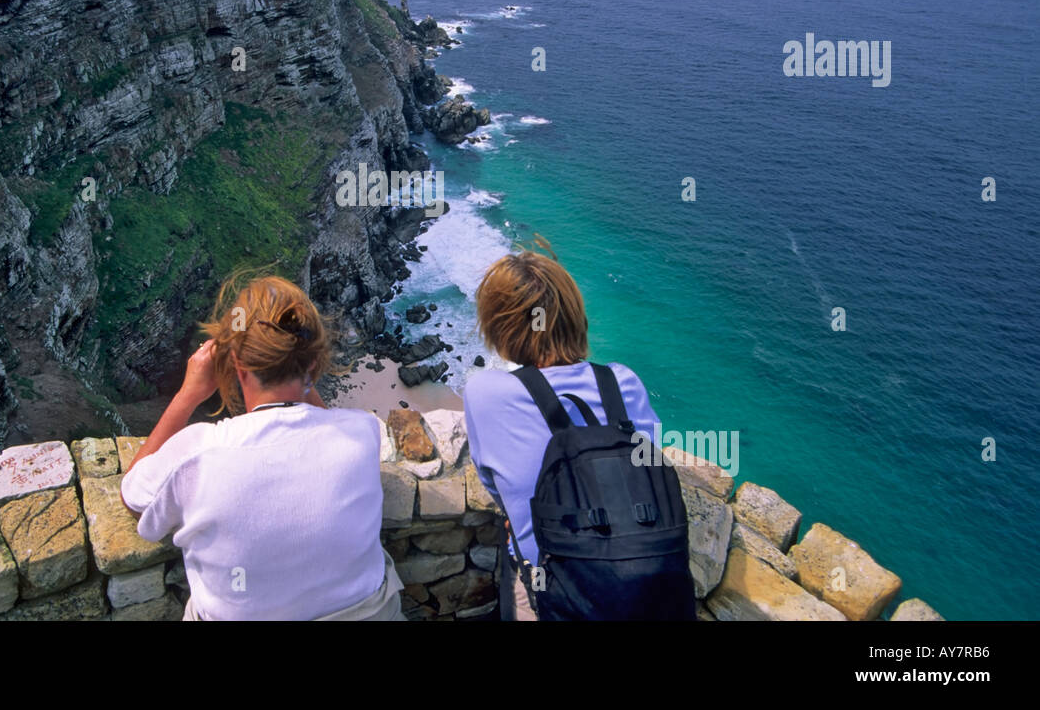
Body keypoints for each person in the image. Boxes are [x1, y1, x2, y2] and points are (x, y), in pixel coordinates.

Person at [120, 272, 404, 620]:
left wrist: (188, 394)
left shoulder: (199, 453)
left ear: (237, 362)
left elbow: (134, 495)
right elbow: (319, 429)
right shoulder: (361, 431)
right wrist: (302, 372)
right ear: (313, 363)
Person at [463, 252, 665, 621]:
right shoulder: (624, 382)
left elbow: (494, 483)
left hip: (554, 593)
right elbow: (650, 464)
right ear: (575, 317)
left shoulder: (484, 393)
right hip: (644, 587)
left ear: (500, 329)